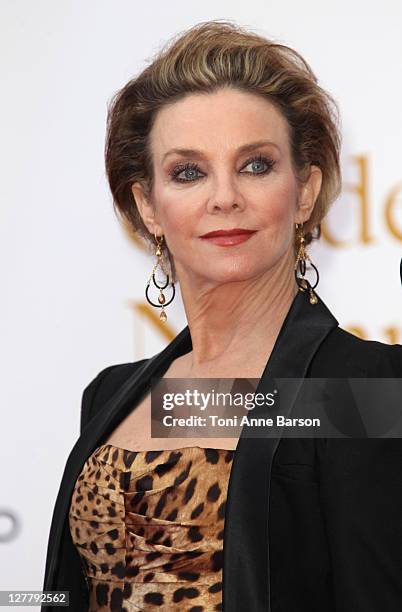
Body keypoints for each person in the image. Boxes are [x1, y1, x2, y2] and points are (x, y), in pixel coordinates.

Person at [42, 19, 402, 612]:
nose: (224, 197)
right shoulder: (110, 395)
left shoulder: (363, 389)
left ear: (305, 191)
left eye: (256, 165)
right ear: (147, 205)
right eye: (189, 172)